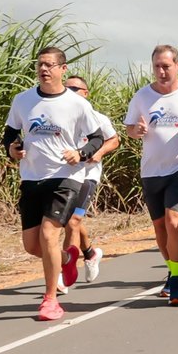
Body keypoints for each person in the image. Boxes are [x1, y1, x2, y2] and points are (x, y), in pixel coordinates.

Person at [3, 47, 104, 321]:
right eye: (40, 65)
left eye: (49, 65)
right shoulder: (23, 100)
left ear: (63, 69)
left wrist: (80, 154)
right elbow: (10, 134)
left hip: (66, 176)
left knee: (49, 234)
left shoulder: (77, 104)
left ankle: (50, 300)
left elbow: (97, 138)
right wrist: (11, 150)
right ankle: (67, 258)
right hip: (32, 178)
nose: (43, 70)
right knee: (31, 245)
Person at [124, 45, 178, 305]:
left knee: (174, 220)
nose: (162, 71)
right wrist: (136, 130)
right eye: (157, 67)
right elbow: (130, 127)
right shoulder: (142, 96)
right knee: (160, 226)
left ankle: (175, 279)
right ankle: (174, 270)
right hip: (152, 170)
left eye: (166, 66)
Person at [60, 75, 120, 287]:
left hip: (88, 175)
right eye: (67, 88)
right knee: (70, 221)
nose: (71, 91)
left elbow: (114, 140)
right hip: (65, 175)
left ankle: (65, 274)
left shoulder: (98, 118)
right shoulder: (61, 117)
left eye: (75, 88)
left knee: (73, 222)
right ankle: (90, 253)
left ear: (86, 93)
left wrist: (100, 151)